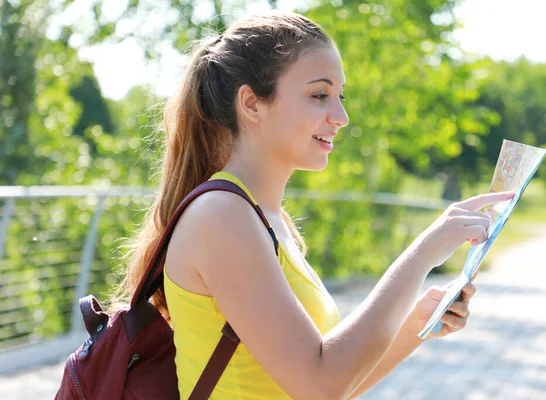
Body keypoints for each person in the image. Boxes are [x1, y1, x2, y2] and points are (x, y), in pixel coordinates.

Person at [113, 11, 514, 400]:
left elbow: (330, 384)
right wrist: (423, 252)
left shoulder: (269, 220)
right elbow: (318, 386)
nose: (340, 116)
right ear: (251, 104)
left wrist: (414, 325)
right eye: (319, 95)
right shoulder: (221, 216)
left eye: (339, 96)